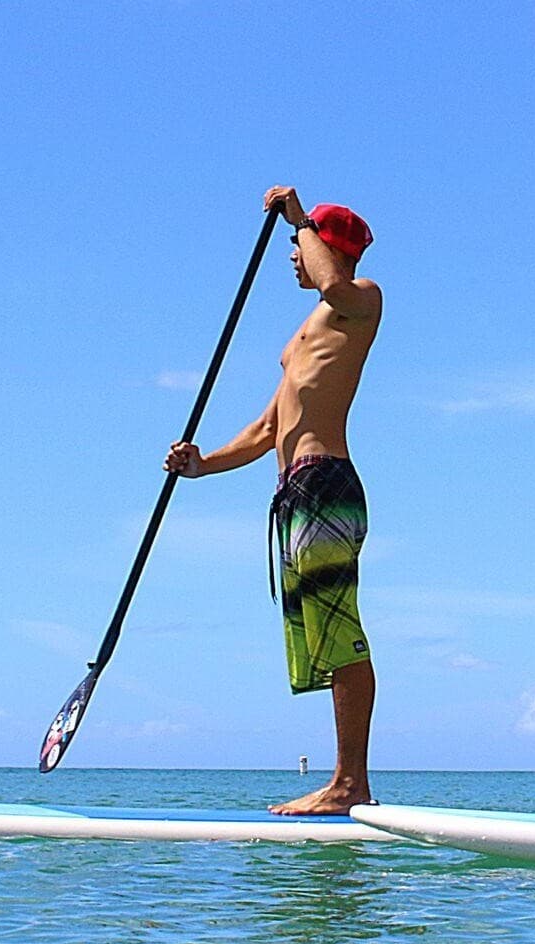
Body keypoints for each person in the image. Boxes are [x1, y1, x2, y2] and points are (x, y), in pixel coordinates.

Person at [165, 186, 382, 815]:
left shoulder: (359, 301)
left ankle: (349, 783)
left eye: (302, 244)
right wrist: (202, 465)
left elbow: (334, 286)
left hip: (325, 480)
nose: (293, 254)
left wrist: (300, 217)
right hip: (293, 492)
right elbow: (266, 430)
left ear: (328, 245)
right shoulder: (303, 338)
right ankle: (344, 781)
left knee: (342, 631)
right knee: (323, 631)